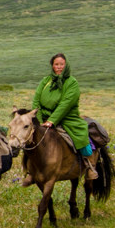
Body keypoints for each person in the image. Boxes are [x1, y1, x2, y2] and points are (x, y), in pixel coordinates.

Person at [24, 53, 97, 184]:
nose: (59, 67)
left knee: (81, 136)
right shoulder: (46, 81)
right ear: (52, 66)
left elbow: (66, 104)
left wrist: (52, 120)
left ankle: (89, 165)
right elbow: (36, 101)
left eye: (61, 64)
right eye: (56, 64)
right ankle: (30, 171)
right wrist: (39, 121)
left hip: (67, 118)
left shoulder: (72, 82)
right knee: (30, 139)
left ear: (66, 65)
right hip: (44, 119)